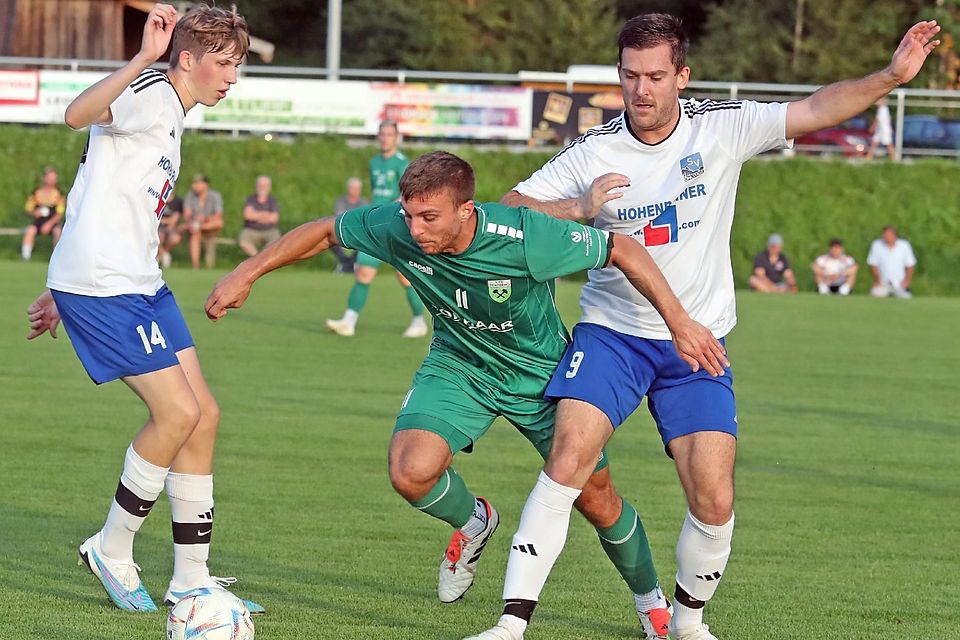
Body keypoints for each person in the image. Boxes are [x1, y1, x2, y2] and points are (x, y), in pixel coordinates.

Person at [467, 14, 939, 640]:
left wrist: (889, 77)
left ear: (681, 77)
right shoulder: (594, 150)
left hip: (697, 340)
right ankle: (509, 627)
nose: (642, 90)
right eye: (631, 76)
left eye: (657, 76)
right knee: (568, 459)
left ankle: (686, 624)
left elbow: (815, 108)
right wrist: (577, 208)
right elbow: (509, 212)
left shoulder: (720, 128)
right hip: (613, 333)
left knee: (714, 499)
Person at [205, 151, 726, 640]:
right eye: (409, 215)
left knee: (597, 498)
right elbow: (324, 231)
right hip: (458, 366)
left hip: (539, 376)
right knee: (410, 470)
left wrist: (679, 323)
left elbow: (622, 249)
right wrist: (245, 273)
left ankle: (650, 600)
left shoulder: (524, 237)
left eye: (429, 217)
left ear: (466, 210)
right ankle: (474, 520)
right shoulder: (400, 228)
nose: (414, 229)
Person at [24, 3, 261, 615]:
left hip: (135, 279)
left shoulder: (174, 112)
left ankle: (191, 579)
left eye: (238, 64)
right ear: (188, 60)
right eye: (225, 64)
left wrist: (57, 285)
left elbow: (97, 187)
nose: (233, 76)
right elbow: (76, 116)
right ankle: (112, 545)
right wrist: (140, 57)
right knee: (177, 412)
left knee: (203, 414)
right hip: (106, 285)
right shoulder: (152, 92)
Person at [325, 120, 428, 338]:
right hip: (375, 225)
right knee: (363, 271)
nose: (385, 138)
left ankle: (419, 321)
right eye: (382, 134)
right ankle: (348, 321)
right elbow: (374, 194)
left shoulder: (403, 164)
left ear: (396, 137)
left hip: (397, 225)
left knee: (404, 276)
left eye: (389, 134)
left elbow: (407, 195)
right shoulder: (374, 163)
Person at [22, 166, 66, 261]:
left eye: (54, 178)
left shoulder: (58, 194)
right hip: (39, 222)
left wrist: (49, 224)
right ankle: (25, 257)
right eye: (49, 178)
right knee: (30, 230)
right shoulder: (36, 193)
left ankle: (57, 258)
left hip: (52, 223)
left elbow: (59, 213)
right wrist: (34, 213)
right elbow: (28, 209)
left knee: (58, 231)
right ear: (44, 178)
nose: (52, 181)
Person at [183, 174, 224, 269]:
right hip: (194, 224)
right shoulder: (190, 196)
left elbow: (218, 214)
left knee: (219, 222)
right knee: (195, 233)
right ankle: (195, 265)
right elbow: (187, 214)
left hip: (209, 225)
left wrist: (205, 218)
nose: (194, 186)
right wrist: (192, 221)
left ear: (205, 184)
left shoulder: (215, 196)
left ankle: (199, 227)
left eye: (197, 183)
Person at [329, 176, 368, 272]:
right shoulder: (341, 201)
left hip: (358, 232)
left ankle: (347, 265)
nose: (355, 191)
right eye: (352, 188)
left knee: (365, 240)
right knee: (329, 237)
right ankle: (348, 263)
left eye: (357, 189)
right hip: (342, 230)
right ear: (348, 189)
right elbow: (338, 217)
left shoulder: (364, 203)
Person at [237, 175, 281, 257]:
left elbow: (274, 219)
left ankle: (262, 259)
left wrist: (256, 215)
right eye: (260, 185)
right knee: (243, 240)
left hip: (270, 230)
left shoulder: (273, 201)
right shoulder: (250, 199)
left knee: (276, 243)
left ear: (269, 187)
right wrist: (265, 215)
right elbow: (248, 216)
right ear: (256, 186)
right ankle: (257, 257)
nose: (262, 187)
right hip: (252, 229)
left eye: (265, 185)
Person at [868, 225, 916, 298]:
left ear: (894, 235)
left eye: (888, 235)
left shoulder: (904, 246)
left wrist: (907, 280)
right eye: (884, 234)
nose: (885, 237)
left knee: (905, 297)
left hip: (899, 283)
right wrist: (877, 280)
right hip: (883, 283)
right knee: (875, 293)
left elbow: (910, 264)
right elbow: (874, 264)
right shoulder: (877, 245)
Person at [158, 188, 184, 268]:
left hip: (172, 228)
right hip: (158, 227)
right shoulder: (158, 199)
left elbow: (174, 219)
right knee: (159, 237)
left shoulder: (178, 202)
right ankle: (162, 255)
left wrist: (164, 221)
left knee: (176, 238)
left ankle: (162, 253)